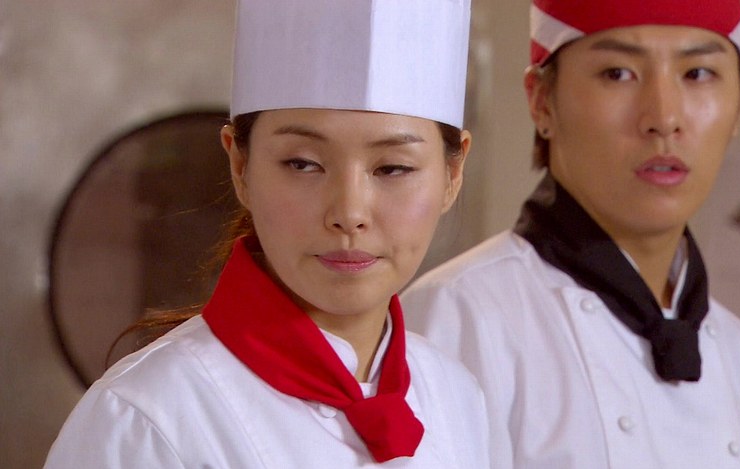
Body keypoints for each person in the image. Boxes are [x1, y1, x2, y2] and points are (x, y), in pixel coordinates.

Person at [44, 1, 489, 467]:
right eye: (303, 164)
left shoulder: (456, 398)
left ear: (453, 173)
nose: (350, 213)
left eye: (393, 168)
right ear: (240, 166)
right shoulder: (146, 421)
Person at [402, 1, 740, 468]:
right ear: (541, 101)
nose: (663, 117)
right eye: (618, 73)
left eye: (697, 74)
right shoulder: (457, 314)